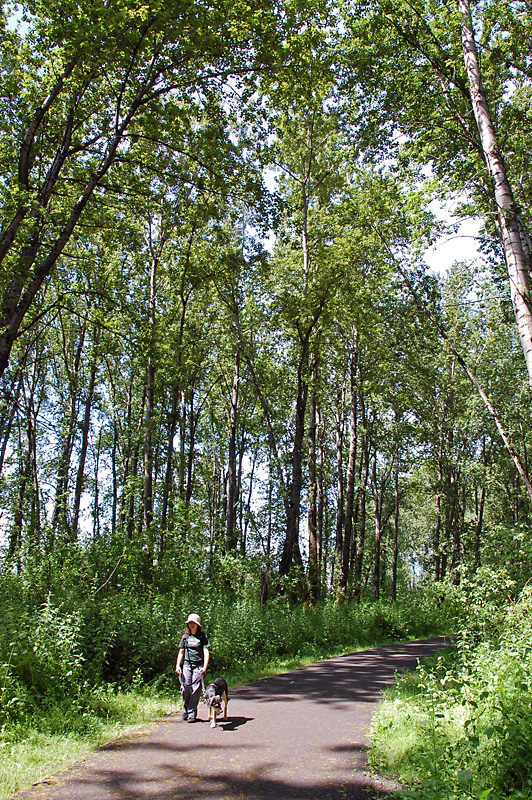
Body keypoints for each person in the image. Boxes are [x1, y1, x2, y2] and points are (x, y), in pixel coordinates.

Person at [175, 613, 210, 722]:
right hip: (187, 665)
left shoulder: (202, 636)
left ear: (197, 625)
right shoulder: (185, 636)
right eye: (190, 623)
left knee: (196, 689)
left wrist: (204, 667)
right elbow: (181, 652)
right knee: (185, 688)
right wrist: (177, 665)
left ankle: (191, 713)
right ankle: (186, 709)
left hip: (198, 666)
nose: (191, 625)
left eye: (193, 623)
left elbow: (206, 652)